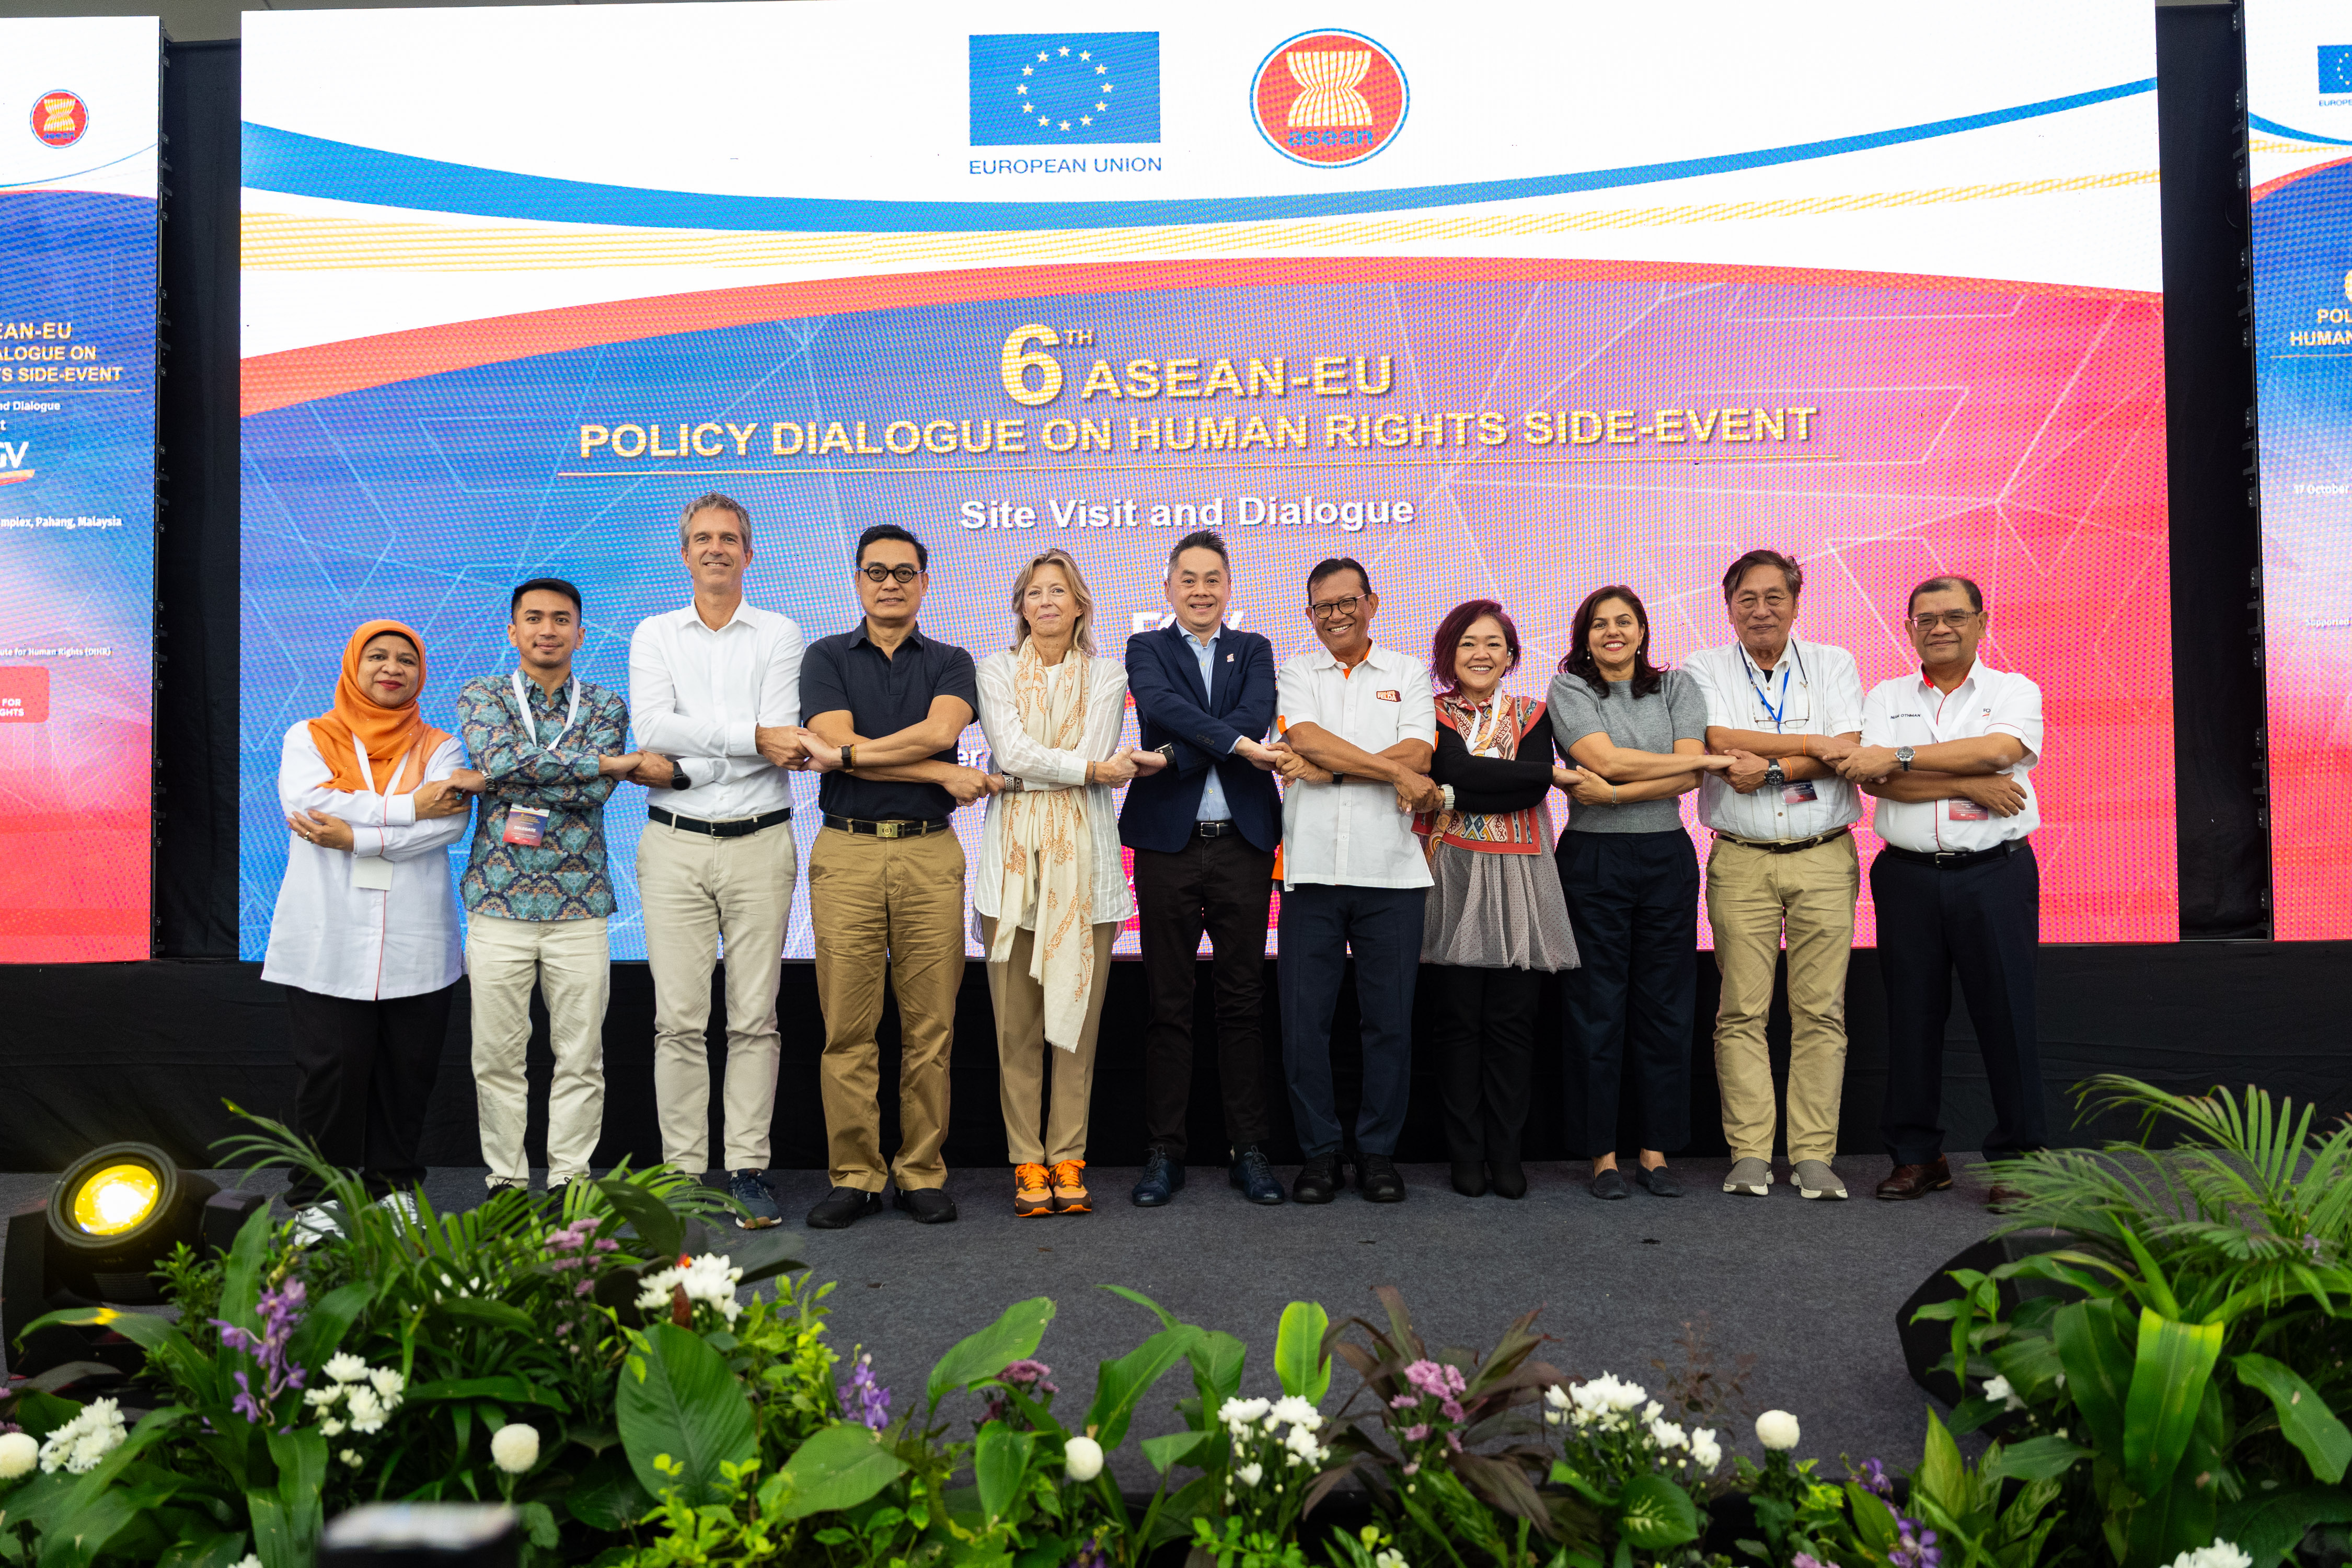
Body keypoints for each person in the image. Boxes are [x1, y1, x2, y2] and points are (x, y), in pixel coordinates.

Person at [791, 524, 993, 1230]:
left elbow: (937, 732)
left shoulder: (951, 661)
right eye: (876, 571)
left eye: (904, 572)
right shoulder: (825, 656)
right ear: (857, 581)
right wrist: (941, 774)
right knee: (847, 1029)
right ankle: (855, 1175)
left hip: (928, 853)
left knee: (929, 1029)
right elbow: (838, 738)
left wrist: (850, 757)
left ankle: (920, 1171)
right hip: (846, 852)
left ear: (924, 584)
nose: (890, 584)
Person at [1838, 575, 2047, 1204]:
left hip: (1995, 874)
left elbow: (1999, 751)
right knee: (1911, 1019)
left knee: (2007, 1017)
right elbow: (1875, 781)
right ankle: (1917, 1157)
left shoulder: (2014, 689)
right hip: (1908, 877)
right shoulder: (1886, 695)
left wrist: (1903, 756)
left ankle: (2020, 1163)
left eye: (1954, 616)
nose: (1940, 628)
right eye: (1925, 619)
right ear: (1909, 630)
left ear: (1982, 621)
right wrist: (1968, 782)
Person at [627, 493, 806, 1228]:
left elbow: (784, 734)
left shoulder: (780, 632)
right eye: (703, 538)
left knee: (755, 1019)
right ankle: (681, 1173)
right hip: (674, 844)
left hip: (762, 842)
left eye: (729, 538)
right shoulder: (654, 633)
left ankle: (747, 1170)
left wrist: (689, 759)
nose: (716, 549)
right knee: (677, 1019)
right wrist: (748, 739)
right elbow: (652, 726)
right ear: (685, 554)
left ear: (749, 553)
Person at [262, 620, 475, 1232]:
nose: (392, 668)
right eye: (377, 656)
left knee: (407, 1075)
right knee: (331, 1073)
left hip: (416, 936)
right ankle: (317, 1200)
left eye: (406, 660)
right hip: (326, 933)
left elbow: (448, 825)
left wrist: (356, 837)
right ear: (354, 667)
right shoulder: (309, 735)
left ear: (420, 674)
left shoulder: (441, 747)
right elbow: (308, 807)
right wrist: (408, 807)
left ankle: (393, 1191)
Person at [1684, 550, 1866, 1202]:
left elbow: (1849, 747)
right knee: (1741, 1011)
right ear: (1729, 606)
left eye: (1774, 598)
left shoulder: (1833, 662)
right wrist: (1812, 745)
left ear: (1795, 602)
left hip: (1824, 854)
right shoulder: (1703, 667)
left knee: (1821, 1011)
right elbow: (1717, 735)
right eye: (1747, 599)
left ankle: (1814, 1155)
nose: (1761, 611)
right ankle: (1751, 1153)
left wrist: (1775, 768)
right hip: (1741, 858)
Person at [973, 549, 1149, 1217]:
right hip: (1011, 876)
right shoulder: (993, 669)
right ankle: (1027, 1160)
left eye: (1059, 591)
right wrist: (1087, 772)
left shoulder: (1108, 673)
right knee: (1015, 1030)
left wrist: (1049, 771)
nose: (1046, 602)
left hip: (1088, 873)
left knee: (1077, 1027)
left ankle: (1069, 1155)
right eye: (1034, 593)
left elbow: (1086, 750)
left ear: (1080, 605)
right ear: (1020, 607)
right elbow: (1010, 751)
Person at [1547, 586, 1733, 1200]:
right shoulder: (1569, 689)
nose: (1613, 632)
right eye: (1599, 624)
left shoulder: (1677, 686)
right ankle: (1601, 1155)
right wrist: (1675, 769)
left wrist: (1617, 793)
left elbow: (1684, 770)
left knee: (1665, 1006)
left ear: (1643, 630)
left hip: (1665, 858)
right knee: (1595, 1006)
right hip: (1592, 860)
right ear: (1585, 636)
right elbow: (1609, 761)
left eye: (1624, 621)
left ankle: (1656, 1151)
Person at [1120, 532, 1287, 1208]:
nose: (1200, 590)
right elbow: (1162, 709)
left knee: (1243, 1000)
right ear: (1168, 588)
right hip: (1168, 845)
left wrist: (1177, 754)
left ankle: (1250, 1150)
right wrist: (1237, 746)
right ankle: (1165, 1152)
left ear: (1228, 587)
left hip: (1243, 843)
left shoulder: (1256, 648)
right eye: (1187, 579)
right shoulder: (1145, 648)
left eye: (1212, 578)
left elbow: (1255, 714)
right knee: (1168, 1002)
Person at [456, 579, 637, 1201]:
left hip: (580, 906)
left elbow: (592, 794)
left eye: (561, 619)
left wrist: (502, 779)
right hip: (498, 902)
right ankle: (506, 1181)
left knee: (581, 1056)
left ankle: (568, 1179)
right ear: (514, 631)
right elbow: (499, 760)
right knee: (497, 1056)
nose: (547, 630)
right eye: (534, 618)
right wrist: (607, 763)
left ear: (580, 634)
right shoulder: (483, 694)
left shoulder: (606, 704)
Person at [1267, 558, 1441, 1205]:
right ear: (1309, 614)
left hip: (1391, 873)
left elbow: (1419, 753)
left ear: (1373, 602)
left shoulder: (1407, 672)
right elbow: (1307, 738)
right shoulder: (1296, 671)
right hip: (1310, 871)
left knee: (1388, 1023)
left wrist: (1334, 771)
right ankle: (1319, 1154)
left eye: (1347, 602)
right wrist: (1388, 772)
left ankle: (1377, 1153)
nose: (1336, 616)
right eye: (1323, 607)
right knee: (1303, 1024)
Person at [1415, 601, 1580, 1200]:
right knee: (1457, 1021)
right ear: (1448, 654)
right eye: (1468, 643)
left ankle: (1507, 1154)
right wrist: (1521, 777)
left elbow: (1528, 787)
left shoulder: (1533, 712)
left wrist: (1455, 790)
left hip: (1521, 875)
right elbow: (1457, 767)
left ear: (1510, 654)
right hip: (1452, 872)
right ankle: (1466, 1155)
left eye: (1493, 643)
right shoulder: (1431, 712)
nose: (1481, 654)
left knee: (1513, 1022)